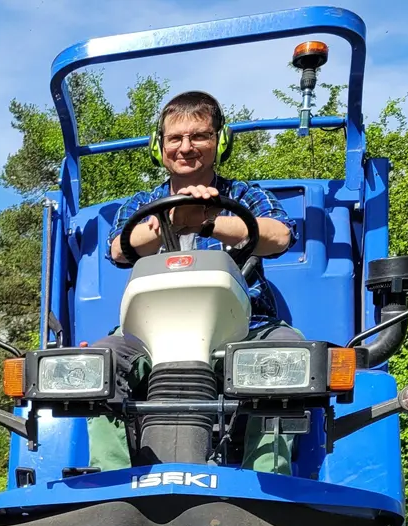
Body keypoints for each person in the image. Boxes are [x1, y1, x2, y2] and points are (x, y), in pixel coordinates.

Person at [92, 90, 299, 474]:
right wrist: (171, 222)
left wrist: (209, 222)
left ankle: (267, 479)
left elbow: (280, 235)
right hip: (149, 334)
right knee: (99, 362)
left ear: (220, 141)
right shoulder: (141, 203)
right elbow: (120, 248)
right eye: (175, 138)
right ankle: (111, 478)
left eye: (199, 136)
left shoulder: (244, 195)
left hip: (242, 329)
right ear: (159, 146)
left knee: (287, 351)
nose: (186, 147)